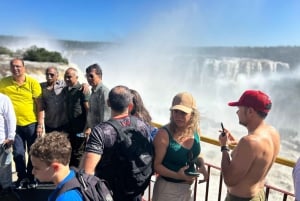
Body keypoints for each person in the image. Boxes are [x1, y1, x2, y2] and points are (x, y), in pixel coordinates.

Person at [80, 85, 151, 201]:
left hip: (109, 193)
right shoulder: (142, 126)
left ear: (108, 103)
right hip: (135, 191)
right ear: (130, 105)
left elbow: (88, 172)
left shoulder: (101, 131)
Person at [219, 90, 280, 201]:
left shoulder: (249, 143)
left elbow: (229, 180)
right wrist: (239, 145)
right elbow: (258, 155)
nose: (237, 113)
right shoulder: (273, 133)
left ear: (250, 111)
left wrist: (224, 147)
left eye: (239, 108)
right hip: (260, 195)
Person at [152, 92, 208, 201]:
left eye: (183, 113)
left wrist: (202, 165)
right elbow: (156, 165)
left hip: (187, 189)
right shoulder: (163, 134)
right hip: (167, 189)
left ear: (192, 114)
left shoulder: (195, 131)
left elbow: (196, 152)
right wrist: (177, 176)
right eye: (175, 111)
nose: (178, 116)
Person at [0, 58, 43, 189]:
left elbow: (40, 105)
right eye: (13, 66)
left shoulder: (32, 83)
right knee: (18, 153)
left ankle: (32, 177)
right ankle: (21, 177)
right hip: (14, 126)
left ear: (24, 68)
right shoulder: (4, 83)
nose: (15, 69)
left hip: (31, 123)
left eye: (18, 66)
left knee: (32, 152)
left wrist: (40, 124)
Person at [29, 131, 83, 201]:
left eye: (36, 168)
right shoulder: (75, 176)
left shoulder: (66, 198)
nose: (33, 172)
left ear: (55, 168)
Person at [63, 67, 90, 167]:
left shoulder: (82, 90)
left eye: (69, 77)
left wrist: (88, 127)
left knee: (79, 153)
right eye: (65, 77)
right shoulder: (66, 89)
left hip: (80, 128)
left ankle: (79, 178)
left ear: (76, 77)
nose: (67, 79)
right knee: (69, 151)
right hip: (69, 128)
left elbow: (88, 110)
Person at [84, 63, 110, 136]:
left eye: (91, 76)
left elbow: (105, 119)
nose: (89, 78)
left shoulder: (104, 92)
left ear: (99, 76)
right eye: (87, 76)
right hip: (93, 133)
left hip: (100, 135)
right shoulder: (93, 91)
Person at [40, 66, 68, 133]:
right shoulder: (41, 86)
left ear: (57, 75)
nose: (49, 76)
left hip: (63, 123)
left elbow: (75, 84)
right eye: (47, 74)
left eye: (52, 75)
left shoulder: (63, 84)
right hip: (49, 123)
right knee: (51, 143)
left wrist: (85, 85)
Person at [0, 93, 16, 191]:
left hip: (2, 142)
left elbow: (11, 118)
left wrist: (11, 137)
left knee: (4, 168)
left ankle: (7, 191)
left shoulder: (3, 99)